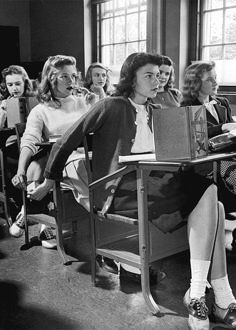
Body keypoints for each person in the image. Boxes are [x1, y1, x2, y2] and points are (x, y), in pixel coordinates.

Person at [28, 52, 236, 329]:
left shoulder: (156, 110)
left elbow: (177, 147)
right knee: (211, 198)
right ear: (130, 78)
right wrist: (50, 180)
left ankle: (202, 292)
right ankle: (214, 296)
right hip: (119, 188)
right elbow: (64, 143)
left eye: (158, 75)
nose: (157, 80)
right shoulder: (111, 105)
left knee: (214, 200)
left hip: (154, 183)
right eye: (148, 75)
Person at [10, 55, 90, 249]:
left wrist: (96, 104)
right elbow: (29, 141)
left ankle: (31, 208)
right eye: (64, 76)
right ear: (51, 78)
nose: (71, 81)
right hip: (60, 160)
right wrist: (20, 169)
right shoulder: (41, 110)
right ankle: (99, 212)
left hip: (86, 155)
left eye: (73, 76)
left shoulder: (85, 101)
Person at [181, 60, 236, 251]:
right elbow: (196, 137)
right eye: (210, 79)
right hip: (206, 166)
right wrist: (222, 128)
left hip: (229, 159)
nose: (215, 83)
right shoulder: (186, 107)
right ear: (195, 83)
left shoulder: (222, 103)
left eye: (216, 78)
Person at [0, 65, 36, 218]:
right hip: (12, 145)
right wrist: (3, 110)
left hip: (33, 143)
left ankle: (31, 206)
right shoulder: (3, 103)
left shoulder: (34, 99)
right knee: (10, 163)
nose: (14, 88)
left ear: (25, 83)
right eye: (10, 85)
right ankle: (23, 205)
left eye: (17, 84)